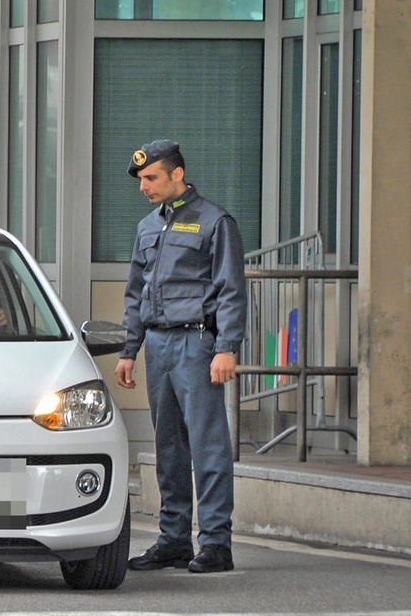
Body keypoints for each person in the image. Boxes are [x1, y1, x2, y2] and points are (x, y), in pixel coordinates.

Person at [114, 140, 248, 574]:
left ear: (177, 174)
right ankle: (173, 540)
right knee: (168, 446)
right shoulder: (147, 227)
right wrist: (129, 350)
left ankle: (216, 543)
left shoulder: (214, 221)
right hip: (158, 344)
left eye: (151, 178)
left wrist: (226, 347)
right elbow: (136, 293)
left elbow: (231, 290)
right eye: (141, 180)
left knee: (207, 445)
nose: (144, 188)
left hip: (197, 344)